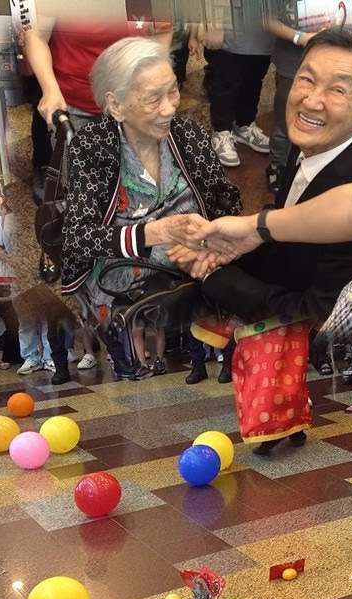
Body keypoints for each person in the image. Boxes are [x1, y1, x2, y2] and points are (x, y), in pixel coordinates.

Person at [172, 28, 352, 449]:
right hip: (277, 288)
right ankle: (288, 424)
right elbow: (281, 232)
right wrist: (224, 251)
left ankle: (279, 427)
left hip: (295, 309)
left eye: (338, 90)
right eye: (306, 79)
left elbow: (311, 308)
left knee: (270, 370)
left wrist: (214, 279)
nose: (310, 101)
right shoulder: (308, 142)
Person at [58, 37, 240, 385]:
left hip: (194, 263)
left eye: (172, 92)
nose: (170, 107)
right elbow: (78, 237)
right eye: (153, 98)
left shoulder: (189, 136)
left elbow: (226, 199)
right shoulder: (93, 146)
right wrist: (154, 233)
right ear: (117, 105)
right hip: (125, 270)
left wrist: (205, 239)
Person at [263, 0, 325, 192]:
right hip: (292, 64)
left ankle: (310, 163)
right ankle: (277, 165)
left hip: (327, 63)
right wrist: (301, 37)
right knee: (286, 120)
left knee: (320, 117)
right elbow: (266, 19)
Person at [205, 0, 275, 167]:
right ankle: (221, 131)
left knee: (253, 81)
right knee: (225, 83)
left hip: (263, 32)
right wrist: (214, 24)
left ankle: (244, 125)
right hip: (230, 28)